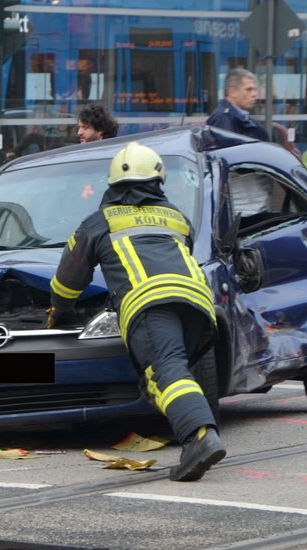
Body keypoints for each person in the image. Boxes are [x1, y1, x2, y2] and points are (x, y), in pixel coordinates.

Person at [47, 142, 224, 482]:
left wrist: (58, 310)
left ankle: (200, 437)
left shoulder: (100, 222)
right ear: (159, 182)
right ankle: (196, 435)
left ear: (112, 185)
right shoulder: (177, 217)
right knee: (172, 372)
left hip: (149, 301)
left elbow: (69, 278)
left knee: (165, 372)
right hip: (199, 304)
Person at [206, 68, 270, 141]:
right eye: (248, 89)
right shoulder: (222, 117)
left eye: (255, 90)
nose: (254, 94)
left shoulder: (243, 118)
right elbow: (228, 149)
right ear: (233, 92)